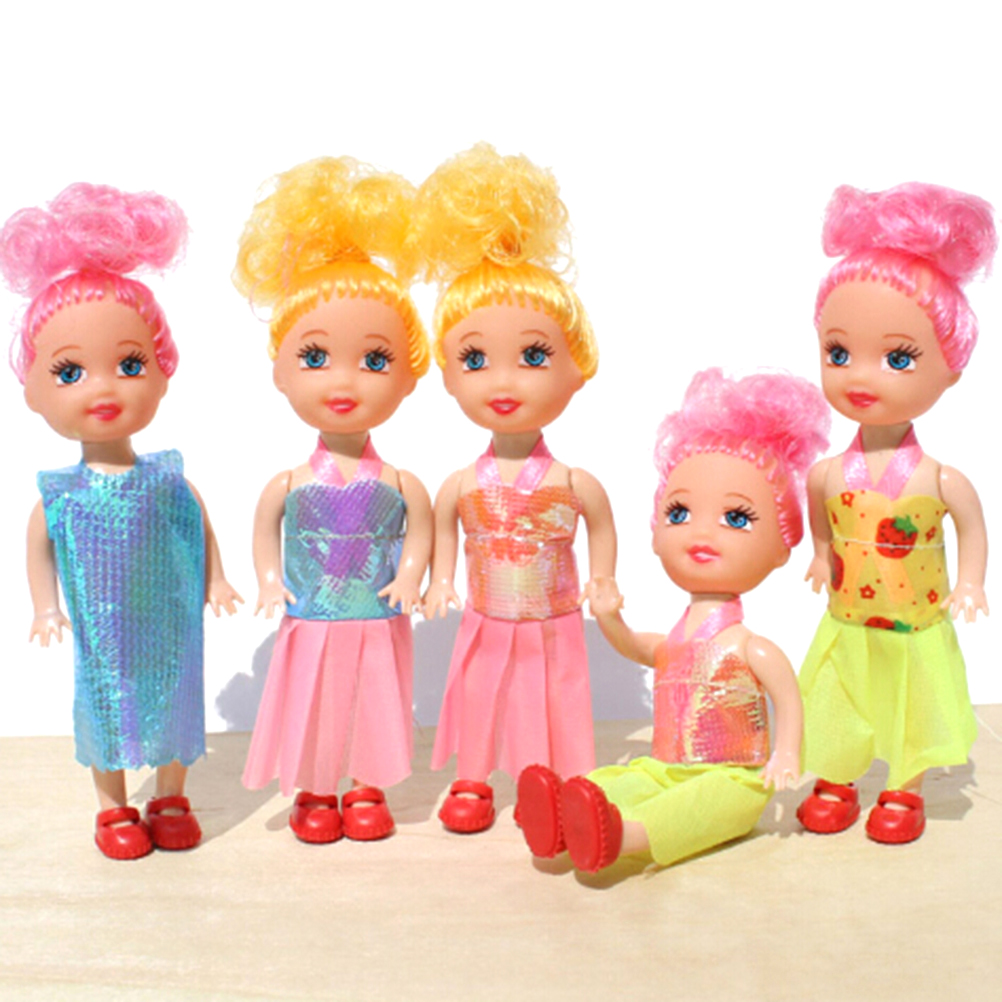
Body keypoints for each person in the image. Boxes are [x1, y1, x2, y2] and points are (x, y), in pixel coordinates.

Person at [3, 182, 241, 860]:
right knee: (106, 707)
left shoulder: (167, 478)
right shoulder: (61, 495)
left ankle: (171, 794)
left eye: (130, 364)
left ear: (163, 373)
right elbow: (38, 548)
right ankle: (113, 807)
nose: (104, 387)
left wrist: (216, 580)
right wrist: (45, 608)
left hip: (171, 621)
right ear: (33, 390)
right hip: (102, 633)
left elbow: (196, 521)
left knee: (177, 700)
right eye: (70, 372)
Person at [518, 368, 829, 873]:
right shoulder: (674, 642)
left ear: (781, 547)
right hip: (665, 766)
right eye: (680, 513)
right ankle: (561, 819)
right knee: (621, 780)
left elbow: (787, 699)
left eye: (736, 518)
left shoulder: (750, 647)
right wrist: (610, 616)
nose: (701, 534)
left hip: (733, 777)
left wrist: (787, 753)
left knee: (699, 807)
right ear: (656, 533)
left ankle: (618, 836)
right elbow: (634, 646)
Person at [415, 144, 616, 833]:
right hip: (485, 614)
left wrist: (604, 580)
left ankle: (558, 780)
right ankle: (473, 777)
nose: (503, 381)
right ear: (447, 374)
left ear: (576, 367)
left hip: (554, 618)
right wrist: (440, 581)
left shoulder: (574, 483)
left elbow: (601, 530)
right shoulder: (460, 483)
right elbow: (443, 533)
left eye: (533, 356)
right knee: (479, 693)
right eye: (475, 358)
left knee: (554, 698)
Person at [234, 157, 432, 843]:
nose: (343, 381)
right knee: (314, 702)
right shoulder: (289, 484)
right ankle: (317, 788)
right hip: (311, 613)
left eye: (375, 360)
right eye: (315, 358)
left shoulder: (400, 484)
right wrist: (269, 579)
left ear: (409, 376)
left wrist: (411, 577)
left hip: (377, 613)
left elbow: (421, 534)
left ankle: (367, 786)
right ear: (281, 373)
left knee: (374, 700)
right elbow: (264, 532)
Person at [797, 183, 995, 843]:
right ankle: (837, 776)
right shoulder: (829, 473)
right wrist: (820, 553)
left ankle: (904, 786)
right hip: (849, 617)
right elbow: (819, 512)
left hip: (915, 621)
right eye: (838, 353)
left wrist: (971, 582)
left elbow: (972, 526)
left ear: (950, 369)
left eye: (898, 358)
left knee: (913, 706)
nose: (861, 375)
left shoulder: (939, 479)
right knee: (840, 695)